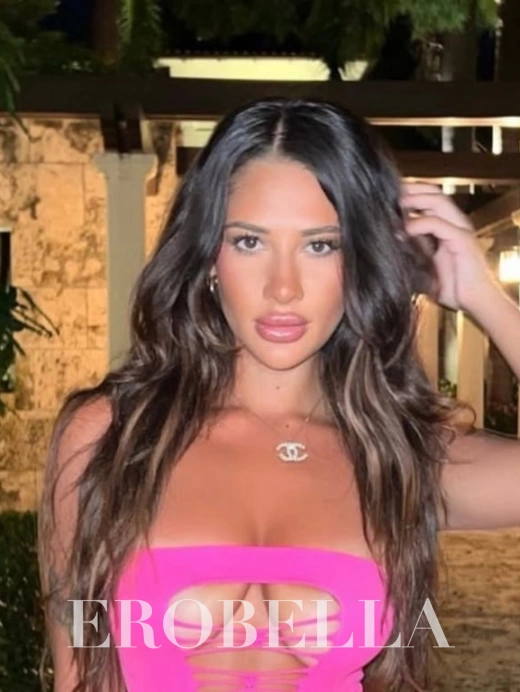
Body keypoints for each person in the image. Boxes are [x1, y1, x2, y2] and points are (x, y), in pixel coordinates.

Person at [37, 97, 520, 692]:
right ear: (208, 255)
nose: (283, 288)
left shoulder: (398, 454)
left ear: (362, 260)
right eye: (249, 242)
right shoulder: (110, 435)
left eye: (321, 245)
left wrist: (482, 296)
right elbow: (78, 675)